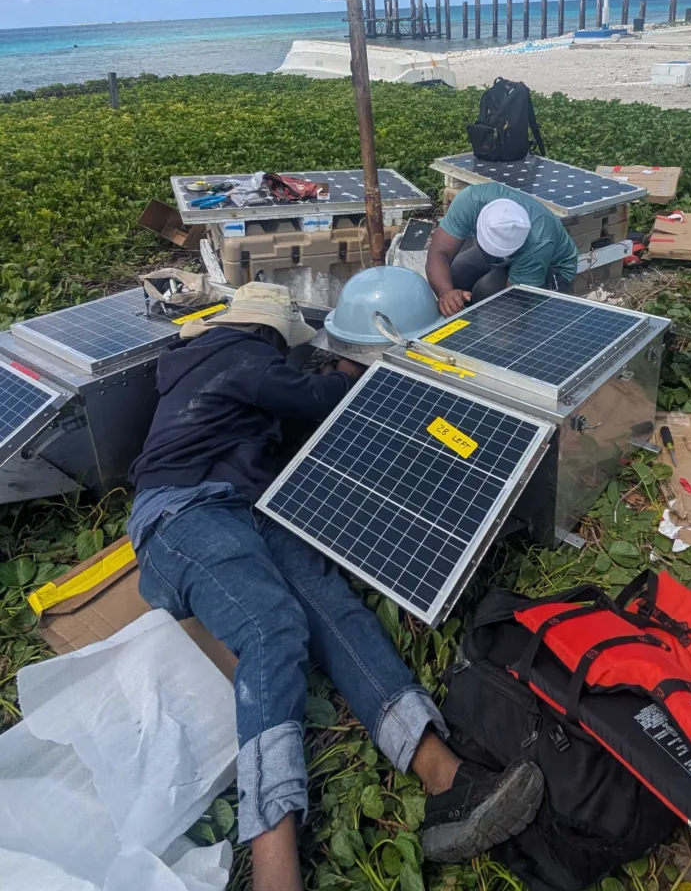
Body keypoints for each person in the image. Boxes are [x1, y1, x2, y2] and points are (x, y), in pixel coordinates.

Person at [128, 282, 542, 891]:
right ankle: (275, 864)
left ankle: (443, 773)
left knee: (337, 611)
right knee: (271, 628)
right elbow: (320, 396)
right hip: (180, 516)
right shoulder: (237, 355)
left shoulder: (226, 363)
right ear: (270, 333)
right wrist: (360, 371)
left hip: (248, 510)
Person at [426, 183, 579, 317]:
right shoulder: (471, 200)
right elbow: (439, 254)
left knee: (486, 292)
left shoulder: (539, 240)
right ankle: (466, 319)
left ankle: (479, 337)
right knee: (454, 274)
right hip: (509, 257)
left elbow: (514, 302)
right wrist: (446, 294)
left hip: (553, 268)